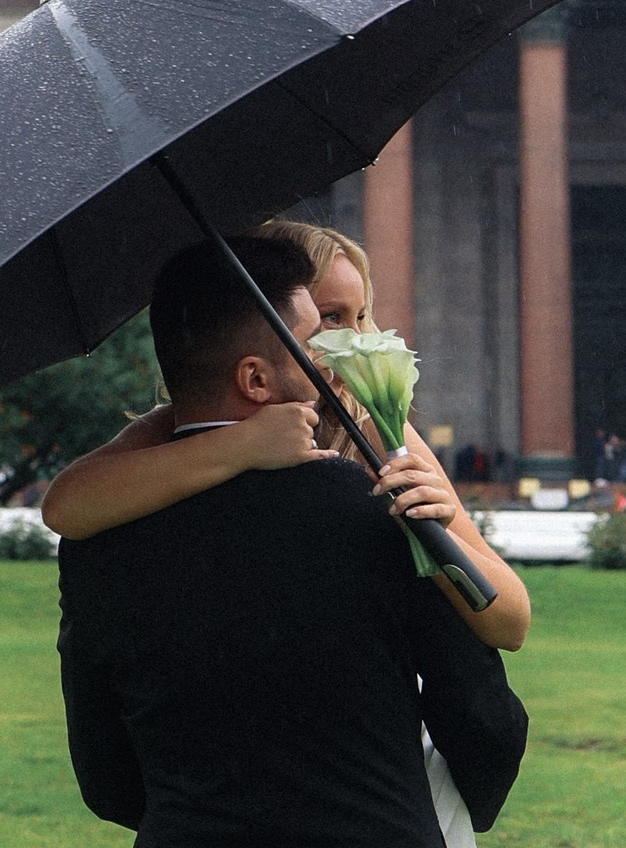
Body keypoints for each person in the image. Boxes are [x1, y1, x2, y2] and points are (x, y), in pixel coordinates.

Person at [57, 235, 527, 848]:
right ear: (255, 379)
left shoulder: (98, 537)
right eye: (317, 336)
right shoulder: (378, 508)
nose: (339, 356)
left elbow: (106, 774)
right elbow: (479, 705)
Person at [42, 219, 531, 653]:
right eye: (329, 319)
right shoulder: (177, 423)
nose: (356, 342)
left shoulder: (375, 429)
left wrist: (436, 531)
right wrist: (243, 445)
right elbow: (67, 505)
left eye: (361, 316)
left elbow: (509, 622)